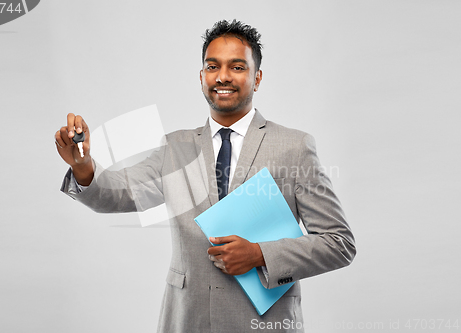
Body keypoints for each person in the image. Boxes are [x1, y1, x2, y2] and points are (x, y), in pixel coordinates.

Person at [55, 19, 356, 333]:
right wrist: (84, 165)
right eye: (213, 66)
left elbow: (339, 243)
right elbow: (119, 193)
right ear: (201, 77)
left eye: (237, 67)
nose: (222, 76)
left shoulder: (295, 146)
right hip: (188, 320)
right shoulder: (175, 147)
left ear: (257, 77)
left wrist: (259, 254)